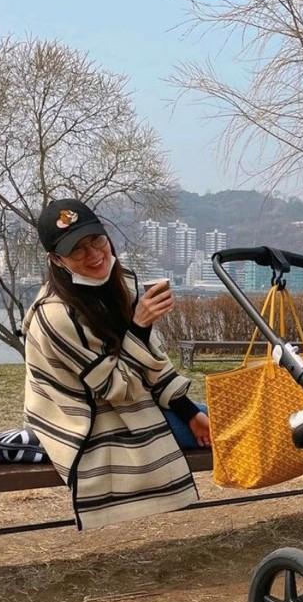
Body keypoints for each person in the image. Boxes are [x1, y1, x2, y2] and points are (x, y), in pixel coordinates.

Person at [22, 198, 211, 529]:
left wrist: (189, 413)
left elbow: (153, 364)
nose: (94, 255)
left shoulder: (120, 283)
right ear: (56, 260)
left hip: (130, 403)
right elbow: (113, 388)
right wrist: (139, 326)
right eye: (76, 250)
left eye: (96, 240)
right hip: (87, 421)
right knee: (229, 425)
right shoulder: (54, 314)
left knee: (220, 416)